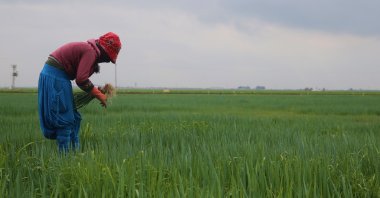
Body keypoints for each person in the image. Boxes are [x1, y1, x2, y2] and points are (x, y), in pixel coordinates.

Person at [38, 32, 122, 152]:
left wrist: (96, 91)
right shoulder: (90, 52)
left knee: (75, 117)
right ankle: (65, 159)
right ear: (104, 50)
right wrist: (99, 95)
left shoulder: (90, 51)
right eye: (108, 57)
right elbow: (81, 79)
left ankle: (74, 153)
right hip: (55, 77)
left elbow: (83, 79)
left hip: (59, 77)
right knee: (65, 119)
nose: (108, 61)